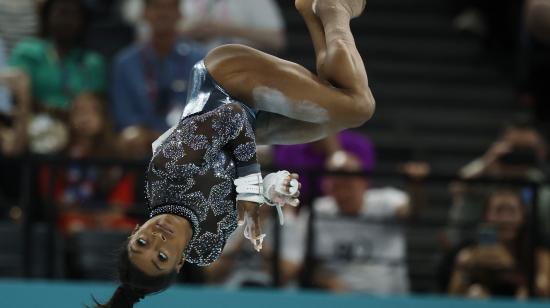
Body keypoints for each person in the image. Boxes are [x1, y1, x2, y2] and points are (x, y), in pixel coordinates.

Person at [96, 0, 374, 306]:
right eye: (160, 256)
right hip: (247, 128)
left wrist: (251, 188)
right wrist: (271, 190)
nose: (157, 238)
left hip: (226, 81)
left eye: (142, 243)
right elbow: (230, 190)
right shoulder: (205, 248)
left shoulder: (165, 173)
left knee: (357, 105)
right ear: (178, 263)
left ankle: (334, 11)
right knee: (343, 112)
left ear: (133, 232)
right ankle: (315, 11)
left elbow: (231, 116)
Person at [111, 0, 206, 149]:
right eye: (156, 7)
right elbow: (124, 118)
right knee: (128, 138)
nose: (163, 13)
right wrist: (152, 136)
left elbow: (203, 113)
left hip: (187, 144)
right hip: (141, 144)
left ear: (179, 13)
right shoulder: (125, 63)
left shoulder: (200, 59)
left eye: (170, 7)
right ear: (144, 13)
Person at [448, 188, 550, 298]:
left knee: (524, 294)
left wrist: (510, 267)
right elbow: (453, 295)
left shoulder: (537, 249)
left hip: (520, 299)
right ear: (486, 216)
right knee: (476, 293)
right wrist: (465, 269)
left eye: (511, 211)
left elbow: (544, 288)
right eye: (499, 211)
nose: (505, 219)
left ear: (522, 216)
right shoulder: (470, 249)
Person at [8, 0, 106, 111]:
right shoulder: (27, 53)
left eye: (74, 14)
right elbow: (15, 98)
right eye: (61, 12)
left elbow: (97, 107)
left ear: (83, 20)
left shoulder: (93, 62)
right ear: (47, 16)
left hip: (80, 125)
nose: (67, 20)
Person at [180, 0, 287, 52]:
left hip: (243, 68)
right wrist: (190, 32)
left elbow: (277, 40)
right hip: (188, 70)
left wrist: (226, 30)